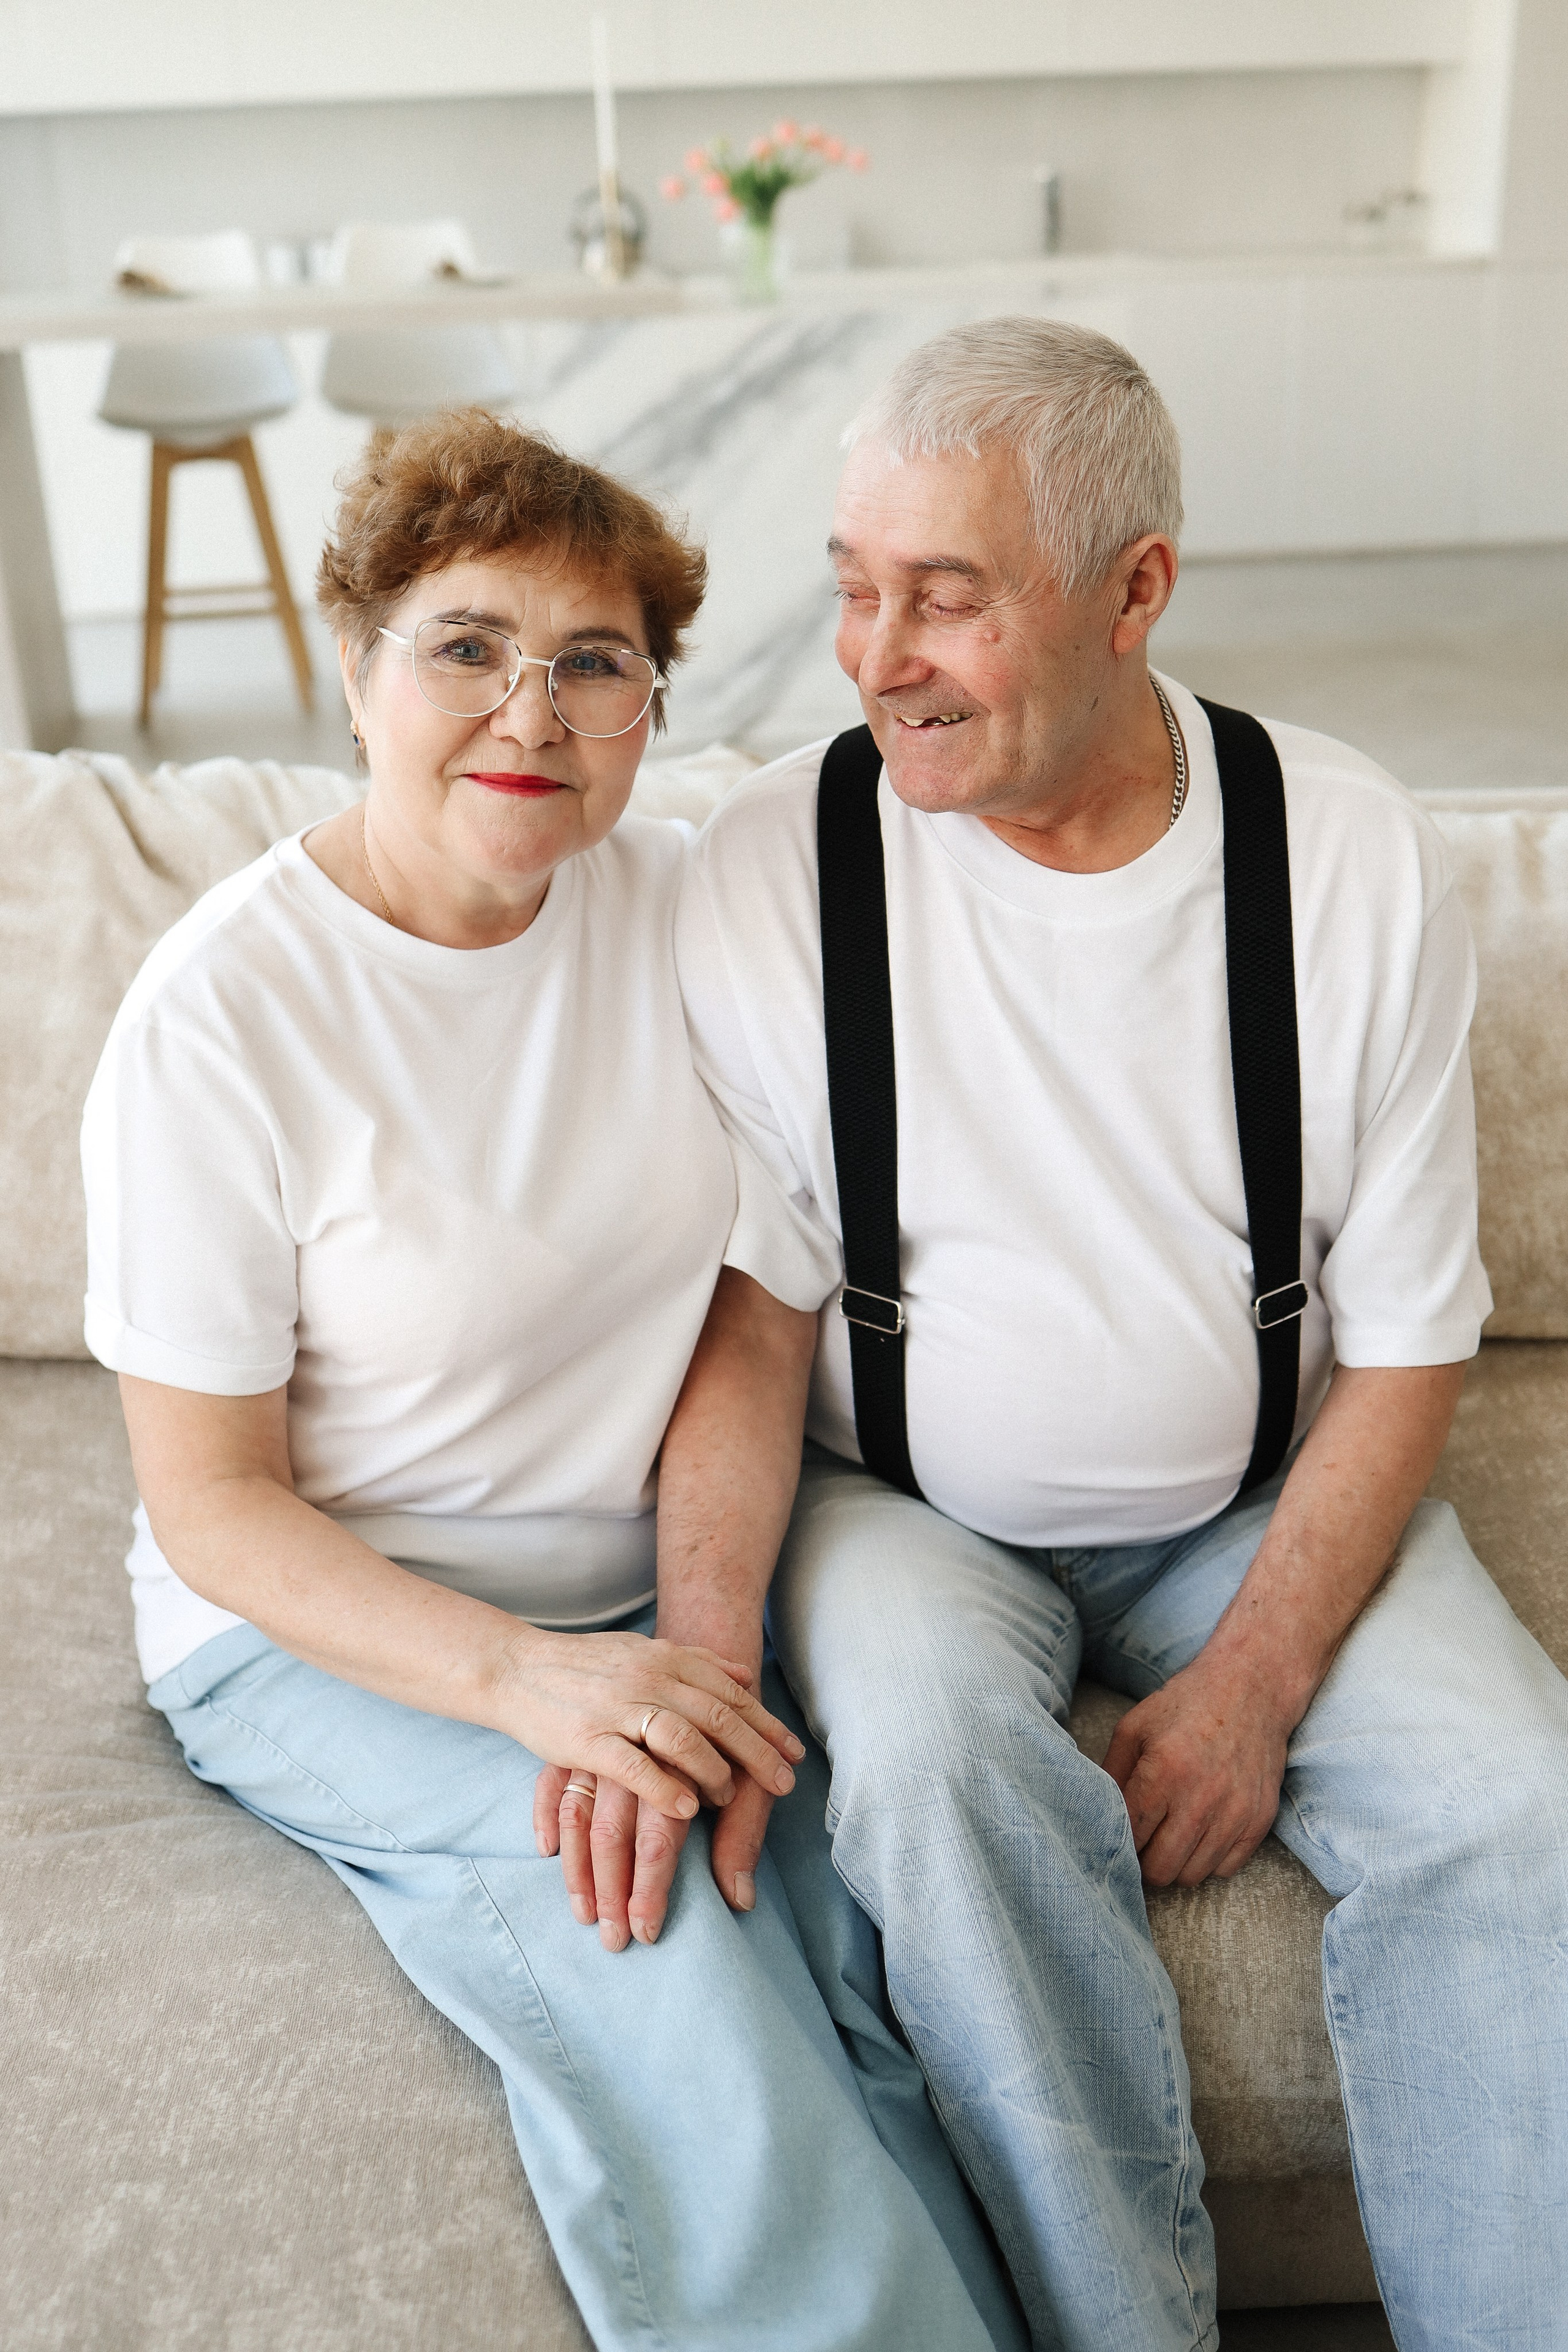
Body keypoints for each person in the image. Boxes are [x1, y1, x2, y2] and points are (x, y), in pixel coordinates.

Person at [552, 319, 1568, 2351]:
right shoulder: (780, 865)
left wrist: (1265, 1671)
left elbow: (1408, 1336)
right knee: (926, 1775)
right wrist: (705, 1655)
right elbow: (754, 1325)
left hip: (1256, 1492)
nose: (878, 653)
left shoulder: (1345, 851)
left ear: (1136, 592)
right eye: (853, 585)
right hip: (908, 1506)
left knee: (1522, 1812)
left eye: (950, 595)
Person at [80, 412, 1025, 2352]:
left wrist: (692, 1651)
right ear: (355, 672)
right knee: (658, 1939)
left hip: (628, 1599)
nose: (532, 709)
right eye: (467, 647)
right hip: (326, 1636)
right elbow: (212, 1505)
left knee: (840, 1938)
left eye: (594, 663)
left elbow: (756, 1308)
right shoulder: (220, 1020)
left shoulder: (684, 910)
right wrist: (540, 1692)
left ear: (649, 712)